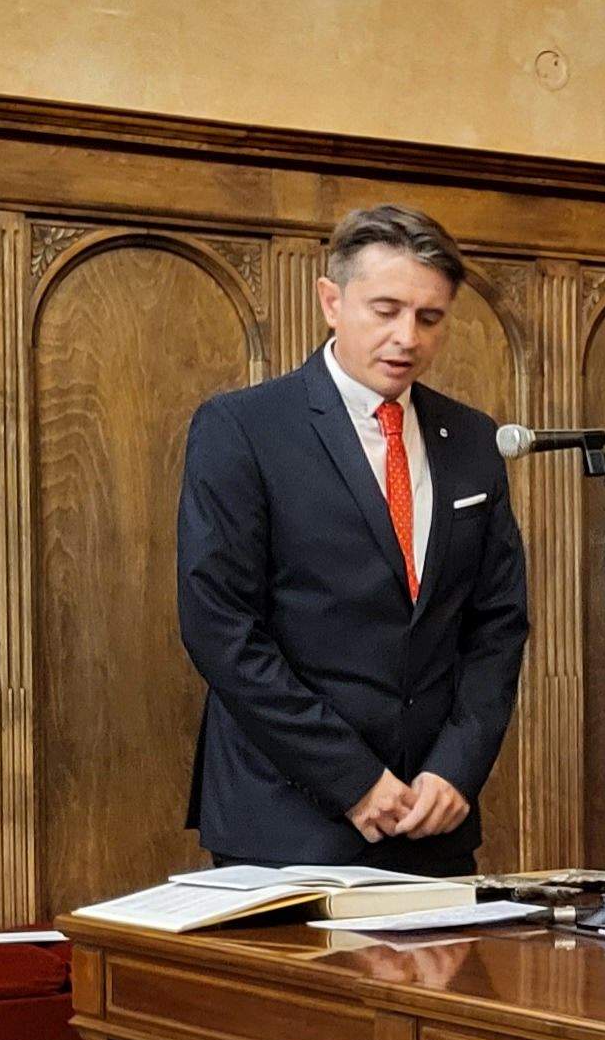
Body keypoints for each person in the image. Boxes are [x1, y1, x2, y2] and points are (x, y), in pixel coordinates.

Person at [174, 204, 530, 877]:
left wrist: (457, 768)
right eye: (386, 310)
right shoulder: (243, 427)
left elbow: (497, 625)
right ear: (332, 301)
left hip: (432, 817)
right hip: (286, 818)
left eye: (430, 318)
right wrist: (353, 780)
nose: (407, 338)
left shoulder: (473, 439)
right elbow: (220, 627)